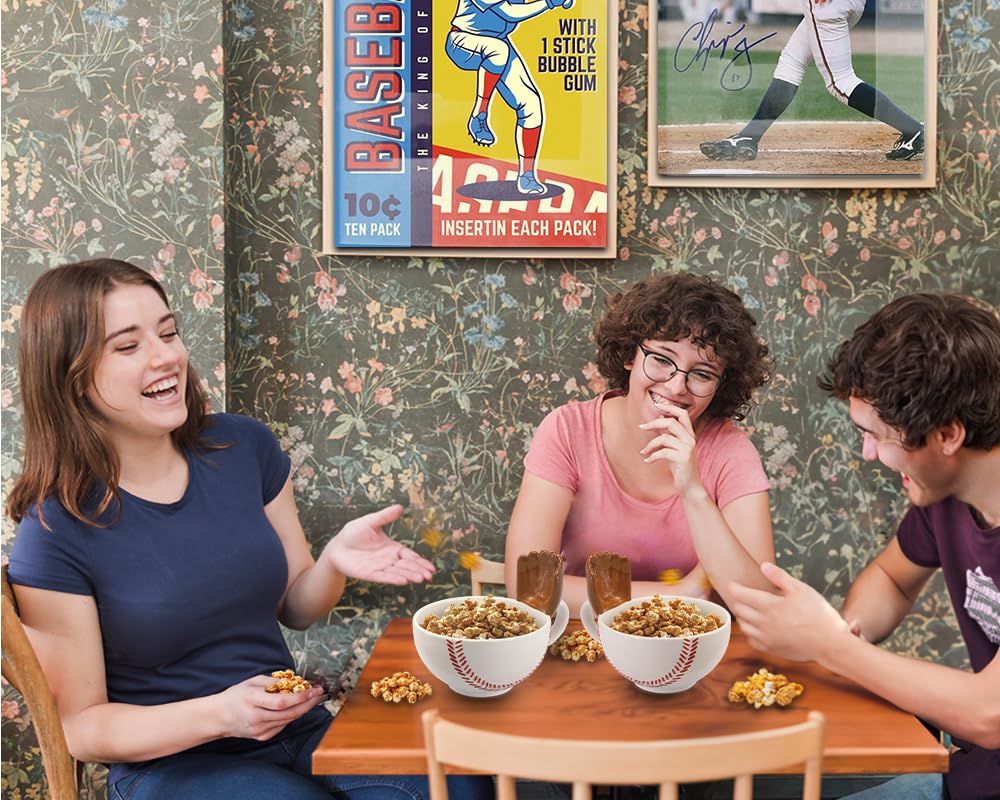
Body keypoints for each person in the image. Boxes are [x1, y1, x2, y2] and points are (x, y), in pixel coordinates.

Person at [5, 259, 494, 800]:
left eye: (167, 333)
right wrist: (221, 715)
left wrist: (333, 560)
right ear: (69, 377)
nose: (166, 356)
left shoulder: (242, 447)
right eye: (128, 346)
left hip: (295, 731)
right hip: (171, 767)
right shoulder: (55, 528)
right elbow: (82, 728)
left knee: (457, 781)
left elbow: (297, 607)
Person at [729, 293, 1000, 799]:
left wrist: (828, 647)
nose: (868, 454)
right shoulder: (943, 498)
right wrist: (844, 633)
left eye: (876, 436)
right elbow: (892, 578)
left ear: (947, 435)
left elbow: (990, 714)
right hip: (967, 778)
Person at [505, 272, 777, 617]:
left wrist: (693, 490)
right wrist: (681, 594)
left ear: (720, 385)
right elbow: (528, 589)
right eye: (662, 359)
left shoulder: (730, 451)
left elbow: (761, 601)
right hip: (581, 646)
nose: (677, 386)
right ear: (630, 355)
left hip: (688, 652)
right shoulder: (566, 431)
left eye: (702, 374)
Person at [699, 0, 925, 163]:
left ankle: (914, 130)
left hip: (826, 6)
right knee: (791, 63)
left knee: (840, 82)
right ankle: (749, 137)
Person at [446, 0, 575, 195]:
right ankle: (480, 114)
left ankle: (527, 175)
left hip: (499, 43)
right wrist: (550, 3)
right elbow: (510, 13)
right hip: (463, 41)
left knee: (531, 105)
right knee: (498, 50)